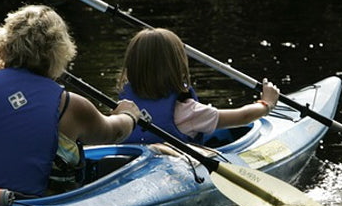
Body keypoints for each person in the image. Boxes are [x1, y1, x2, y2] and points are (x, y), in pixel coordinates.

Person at [0, 4, 141, 197]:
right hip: (35, 205)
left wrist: (0, 54)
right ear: (61, 52)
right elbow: (113, 132)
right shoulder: (70, 105)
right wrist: (128, 115)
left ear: (2, 45)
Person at [117, 27, 280, 144]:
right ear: (177, 67)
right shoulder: (189, 112)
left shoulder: (123, 108)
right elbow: (243, 117)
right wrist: (266, 104)